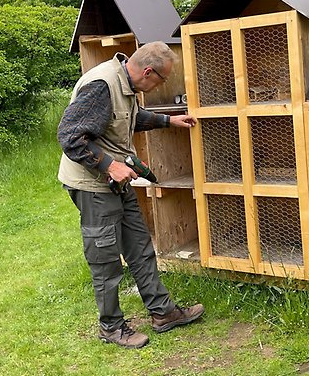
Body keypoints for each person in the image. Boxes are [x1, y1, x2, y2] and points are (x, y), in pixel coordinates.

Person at [57, 41, 203, 349]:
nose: (159, 85)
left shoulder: (125, 84)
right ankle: (111, 327)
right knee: (105, 258)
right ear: (148, 72)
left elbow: (129, 118)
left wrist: (169, 120)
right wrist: (111, 166)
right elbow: (69, 135)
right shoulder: (101, 85)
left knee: (139, 247)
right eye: (162, 81)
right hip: (93, 186)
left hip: (116, 183)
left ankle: (163, 313)